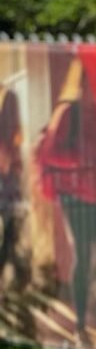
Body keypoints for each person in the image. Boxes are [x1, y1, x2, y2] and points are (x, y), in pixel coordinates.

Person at [34, 59, 96, 349]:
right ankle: (81, 326)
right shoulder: (68, 112)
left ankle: (87, 297)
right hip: (73, 196)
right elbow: (49, 155)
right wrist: (85, 162)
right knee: (82, 254)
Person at [0, 86, 29, 293]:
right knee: (11, 230)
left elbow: (17, 133)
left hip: (8, 177)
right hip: (7, 174)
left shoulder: (10, 97)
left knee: (12, 229)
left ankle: (15, 274)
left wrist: (12, 159)